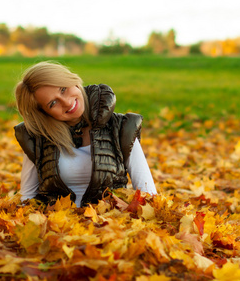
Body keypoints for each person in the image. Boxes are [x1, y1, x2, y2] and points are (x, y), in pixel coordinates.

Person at [14, 61, 156, 207]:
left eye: (63, 89)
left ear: (72, 80)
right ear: (44, 113)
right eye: (53, 103)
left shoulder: (121, 127)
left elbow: (148, 195)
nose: (67, 102)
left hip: (111, 225)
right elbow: (27, 199)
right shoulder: (38, 138)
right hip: (60, 226)